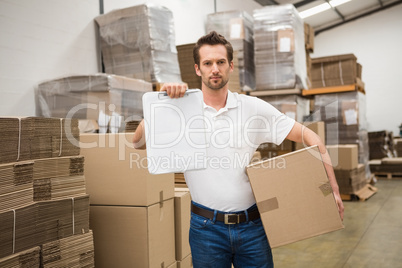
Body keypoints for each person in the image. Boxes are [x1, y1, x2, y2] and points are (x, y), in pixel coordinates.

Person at [133, 31, 344, 268]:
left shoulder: (251, 108)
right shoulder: (181, 111)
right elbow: (138, 143)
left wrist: (333, 189)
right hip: (206, 231)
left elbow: (310, 136)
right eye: (208, 63)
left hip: (252, 227)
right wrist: (162, 104)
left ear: (230, 66)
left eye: (221, 62)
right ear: (197, 69)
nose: (215, 68)